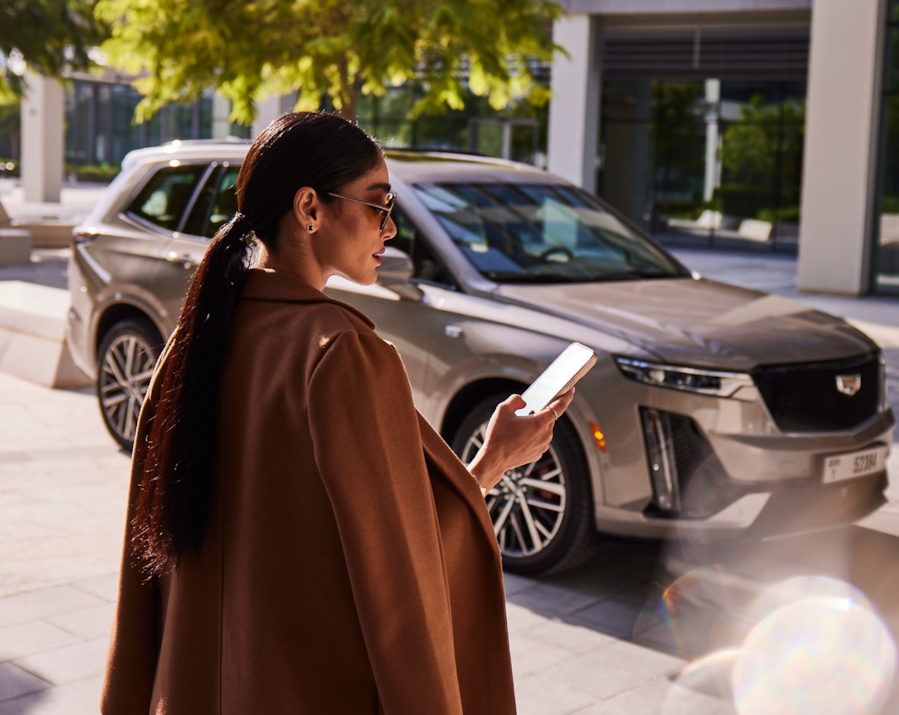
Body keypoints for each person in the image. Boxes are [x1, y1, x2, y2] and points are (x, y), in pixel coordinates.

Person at [101, 111, 575, 714]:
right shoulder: (341, 355)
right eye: (378, 205)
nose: (392, 228)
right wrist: (493, 462)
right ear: (309, 209)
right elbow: (399, 578)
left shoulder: (193, 345)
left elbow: (147, 571)